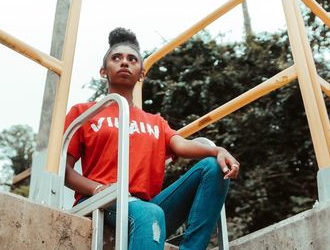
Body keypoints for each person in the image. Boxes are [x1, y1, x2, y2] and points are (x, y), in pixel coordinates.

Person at [64, 27, 240, 250]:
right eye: (116, 58)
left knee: (213, 168)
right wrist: (97, 189)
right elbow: (66, 171)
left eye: (132, 59)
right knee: (149, 213)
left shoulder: (155, 121)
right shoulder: (84, 112)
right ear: (103, 71)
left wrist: (217, 151)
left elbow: (181, 145)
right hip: (102, 202)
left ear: (142, 73)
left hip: (147, 207)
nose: (124, 63)